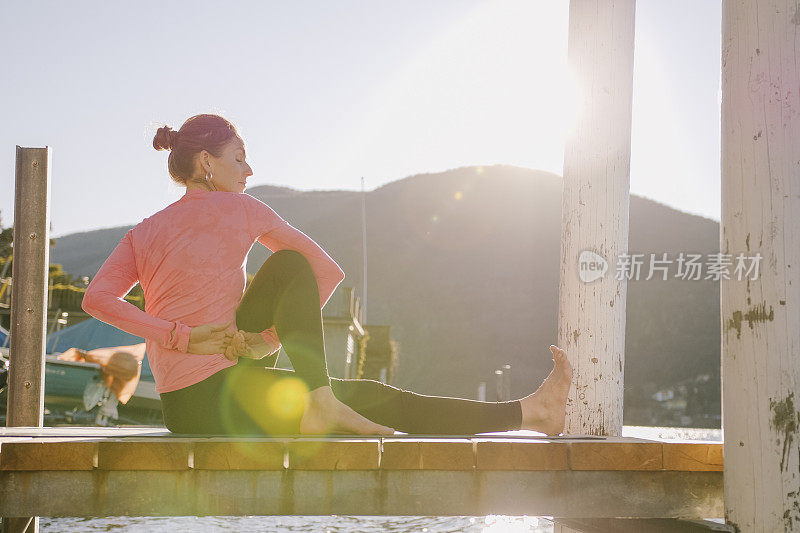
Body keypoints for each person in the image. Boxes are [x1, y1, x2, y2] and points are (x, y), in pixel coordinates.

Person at [81, 113, 573, 436]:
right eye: (239, 157)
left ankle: (530, 413)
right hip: (224, 397)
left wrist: (179, 336)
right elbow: (325, 271)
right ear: (206, 162)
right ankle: (529, 413)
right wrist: (263, 341)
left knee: (360, 394)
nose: (248, 169)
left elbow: (97, 300)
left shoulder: (142, 232)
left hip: (181, 407)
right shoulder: (242, 209)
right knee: (298, 275)